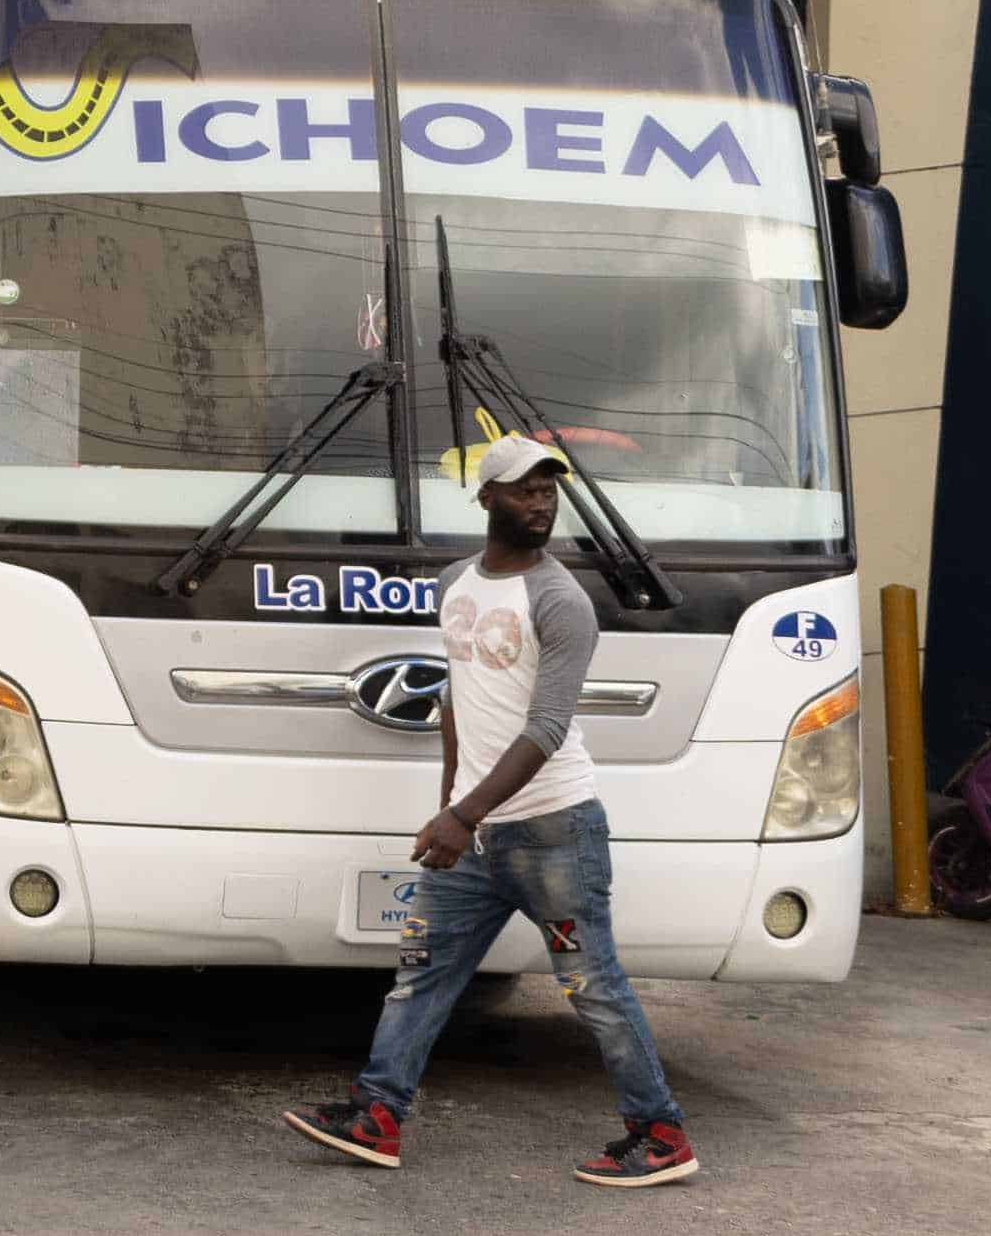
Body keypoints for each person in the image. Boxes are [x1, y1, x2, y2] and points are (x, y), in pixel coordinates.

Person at [284, 434, 698, 1189]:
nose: (540, 503)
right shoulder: (456, 582)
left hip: (554, 832)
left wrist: (462, 816)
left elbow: (544, 728)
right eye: (523, 490)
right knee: (421, 974)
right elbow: (456, 699)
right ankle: (378, 1115)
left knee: (592, 986)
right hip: (474, 833)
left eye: (549, 490)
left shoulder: (561, 602)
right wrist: (451, 806)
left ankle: (660, 1131)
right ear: (485, 498)